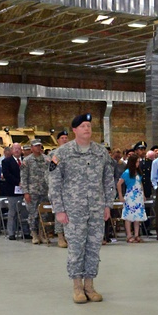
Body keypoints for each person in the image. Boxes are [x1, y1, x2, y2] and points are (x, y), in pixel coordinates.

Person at [48, 114, 116, 304]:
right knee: (77, 248)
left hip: (96, 209)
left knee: (93, 248)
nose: (87, 128)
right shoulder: (62, 153)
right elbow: (54, 183)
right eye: (83, 126)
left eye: (89, 125)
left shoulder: (100, 152)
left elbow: (108, 180)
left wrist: (107, 205)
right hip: (73, 211)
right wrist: (59, 209)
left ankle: (90, 286)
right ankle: (77, 287)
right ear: (75, 130)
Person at [21, 139, 51, 244]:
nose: (38, 148)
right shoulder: (27, 161)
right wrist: (26, 192)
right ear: (32, 148)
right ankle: (34, 234)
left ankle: (42, 234)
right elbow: (23, 178)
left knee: (44, 214)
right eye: (36, 146)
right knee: (33, 214)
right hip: (32, 191)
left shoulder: (47, 159)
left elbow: (50, 174)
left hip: (44, 191)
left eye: (39, 146)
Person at [0, 143, 29, 241]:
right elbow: (7, 175)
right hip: (13, 190)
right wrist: (18, 182)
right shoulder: (6, 161)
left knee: (24, 211)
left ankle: (26, 232)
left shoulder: (25, 161)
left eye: (18, 149)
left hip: (24, 190)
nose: (17, 150)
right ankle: (11, 232)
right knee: (12, 212)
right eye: (15, 149)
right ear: (12, 150)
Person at [118, 153, 147, 243]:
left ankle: (136, 234)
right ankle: (129, 235)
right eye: (136, 162)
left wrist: (143, 194)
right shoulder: (126, 173)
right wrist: (120, 195)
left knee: (137, 217)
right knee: (129, 216)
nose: (138, 164)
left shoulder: (138, 172)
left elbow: (140, 183)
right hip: (130, 196)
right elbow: (119, 184)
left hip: (138, 196)